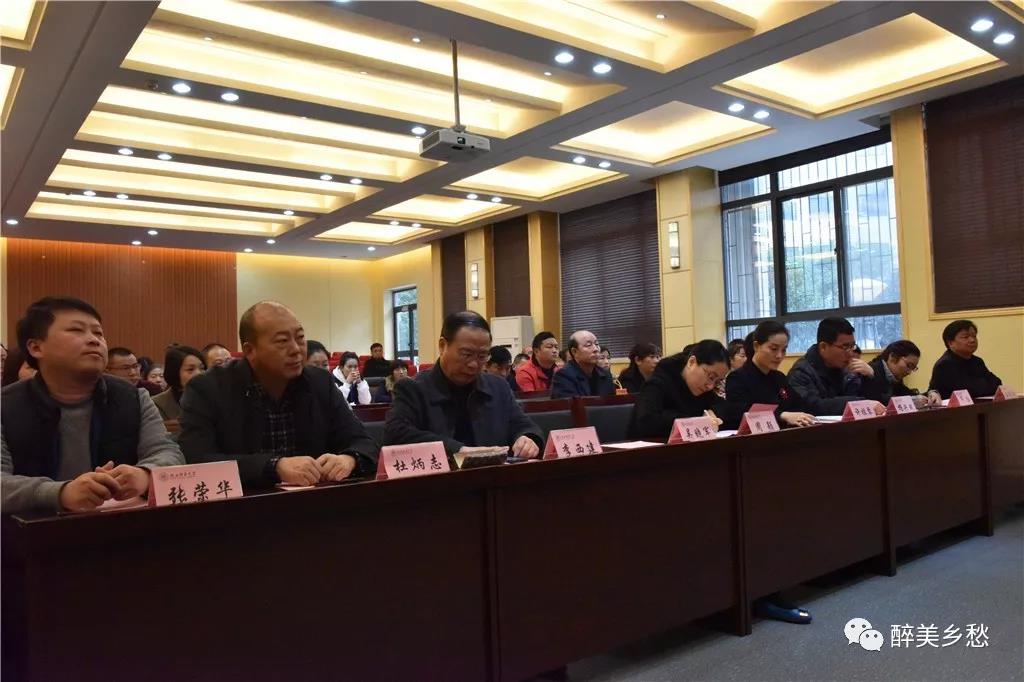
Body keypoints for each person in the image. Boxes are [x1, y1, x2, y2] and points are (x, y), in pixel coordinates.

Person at [1, 297, 183, 514]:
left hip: (122, 526)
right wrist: (60, 493)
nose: (94, 340)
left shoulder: (133, 398)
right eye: (76, 330)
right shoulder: (6, 406)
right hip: (34, 529)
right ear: (36, 347)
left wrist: (146, 475)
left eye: (98, 333)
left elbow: (168, 453)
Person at [178, 301, 378, 487]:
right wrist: (274, 467)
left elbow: (364, 442)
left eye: (300, 338)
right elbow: (197, 460)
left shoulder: (320, 382)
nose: (296, 350)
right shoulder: (208, 389)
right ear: (250, 350)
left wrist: (349, 459)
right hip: (241, 506)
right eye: (282, 341)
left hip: (315, 503)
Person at [382, 311, 542, 462]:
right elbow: (396, 435)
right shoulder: (413, 389)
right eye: (466, 354)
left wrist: (527, 438)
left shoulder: (497, 387)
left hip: (494, 478)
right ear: (442, 346)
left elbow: (523, 424)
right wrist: (458, 450)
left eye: (482, 356)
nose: (474, 364)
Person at [723, 321, 817, 430]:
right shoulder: (737, 378)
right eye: (774, 349)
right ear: (756, 346)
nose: (779, 356)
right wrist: (782, 415)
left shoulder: (779, 377)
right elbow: (742, 412)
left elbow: (798, 405)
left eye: (784, 350)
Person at [628, 341, 727, 439]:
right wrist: (694, 421)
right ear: (691, 362)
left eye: (717, 381)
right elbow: (647, 421)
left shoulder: (702, 388)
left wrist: (713, 412)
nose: (710, 386)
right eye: (711, 377)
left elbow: (723, 405)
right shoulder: (658, 383)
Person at [787, 317, 882, 416]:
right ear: (823, 347)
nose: (850, 353)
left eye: (852, 346)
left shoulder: (846, 368)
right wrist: (858, 403)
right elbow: (813, 406)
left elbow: (868, 400)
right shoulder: (801, 372)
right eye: (845, 347)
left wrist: (870, 377)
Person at [928, 320, 1002, 399]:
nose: (972, 340)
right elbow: (968, 391)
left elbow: (997, 384)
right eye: (965, 337)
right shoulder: (945, 364)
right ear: (950, 343)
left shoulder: (977, 361)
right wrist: (983, 384)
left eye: (974, 336)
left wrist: (981, 385)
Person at [860, 340, 941, 406]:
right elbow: (878, 400)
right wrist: (910, 401)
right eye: (909, 365)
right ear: (892, 357)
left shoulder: (894, 376)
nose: (909, 372)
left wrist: (931, 394)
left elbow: (907, 394)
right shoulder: (870, 372)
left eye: (913, 368)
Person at [551, 330, 615, 398]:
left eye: (596, 344)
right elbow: (571, 403)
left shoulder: (605, 375)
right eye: (588, 345)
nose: (595, 349)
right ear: (574, 351)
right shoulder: (564, 376)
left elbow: (612, 402)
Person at [152, 345, 206, 420]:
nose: (199, 373)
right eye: (190, 369)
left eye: (202, 368)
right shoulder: (157, 404)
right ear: (175, 373)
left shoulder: (214, 399)